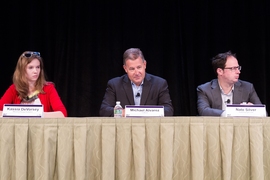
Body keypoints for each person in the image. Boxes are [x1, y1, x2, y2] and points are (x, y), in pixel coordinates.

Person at [100, 48, 174, 117]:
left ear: (144, 65)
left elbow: (168, 110)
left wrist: (147, 112)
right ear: (125, 69)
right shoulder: (114, 85)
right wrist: (122, 112)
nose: (136, 72)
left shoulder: (159, 84)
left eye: (139, 67)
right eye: (132, 69)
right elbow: (104, 110)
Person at [0, 51, 67, 117]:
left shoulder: (48, 88)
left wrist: (37, 114)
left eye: (38, 67)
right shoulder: (14, 89)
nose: (35, 71)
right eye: (31, 67)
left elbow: (62, 114)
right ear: (22, 70)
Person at [197, 51, 262, 116]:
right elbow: (203, 111)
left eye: (238, 68)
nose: (238, 72)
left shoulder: (248, 88)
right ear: (220, 71)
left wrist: (252, 110)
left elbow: (263, 114)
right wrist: (230, 113)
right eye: (233, 68)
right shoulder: (205, 90)